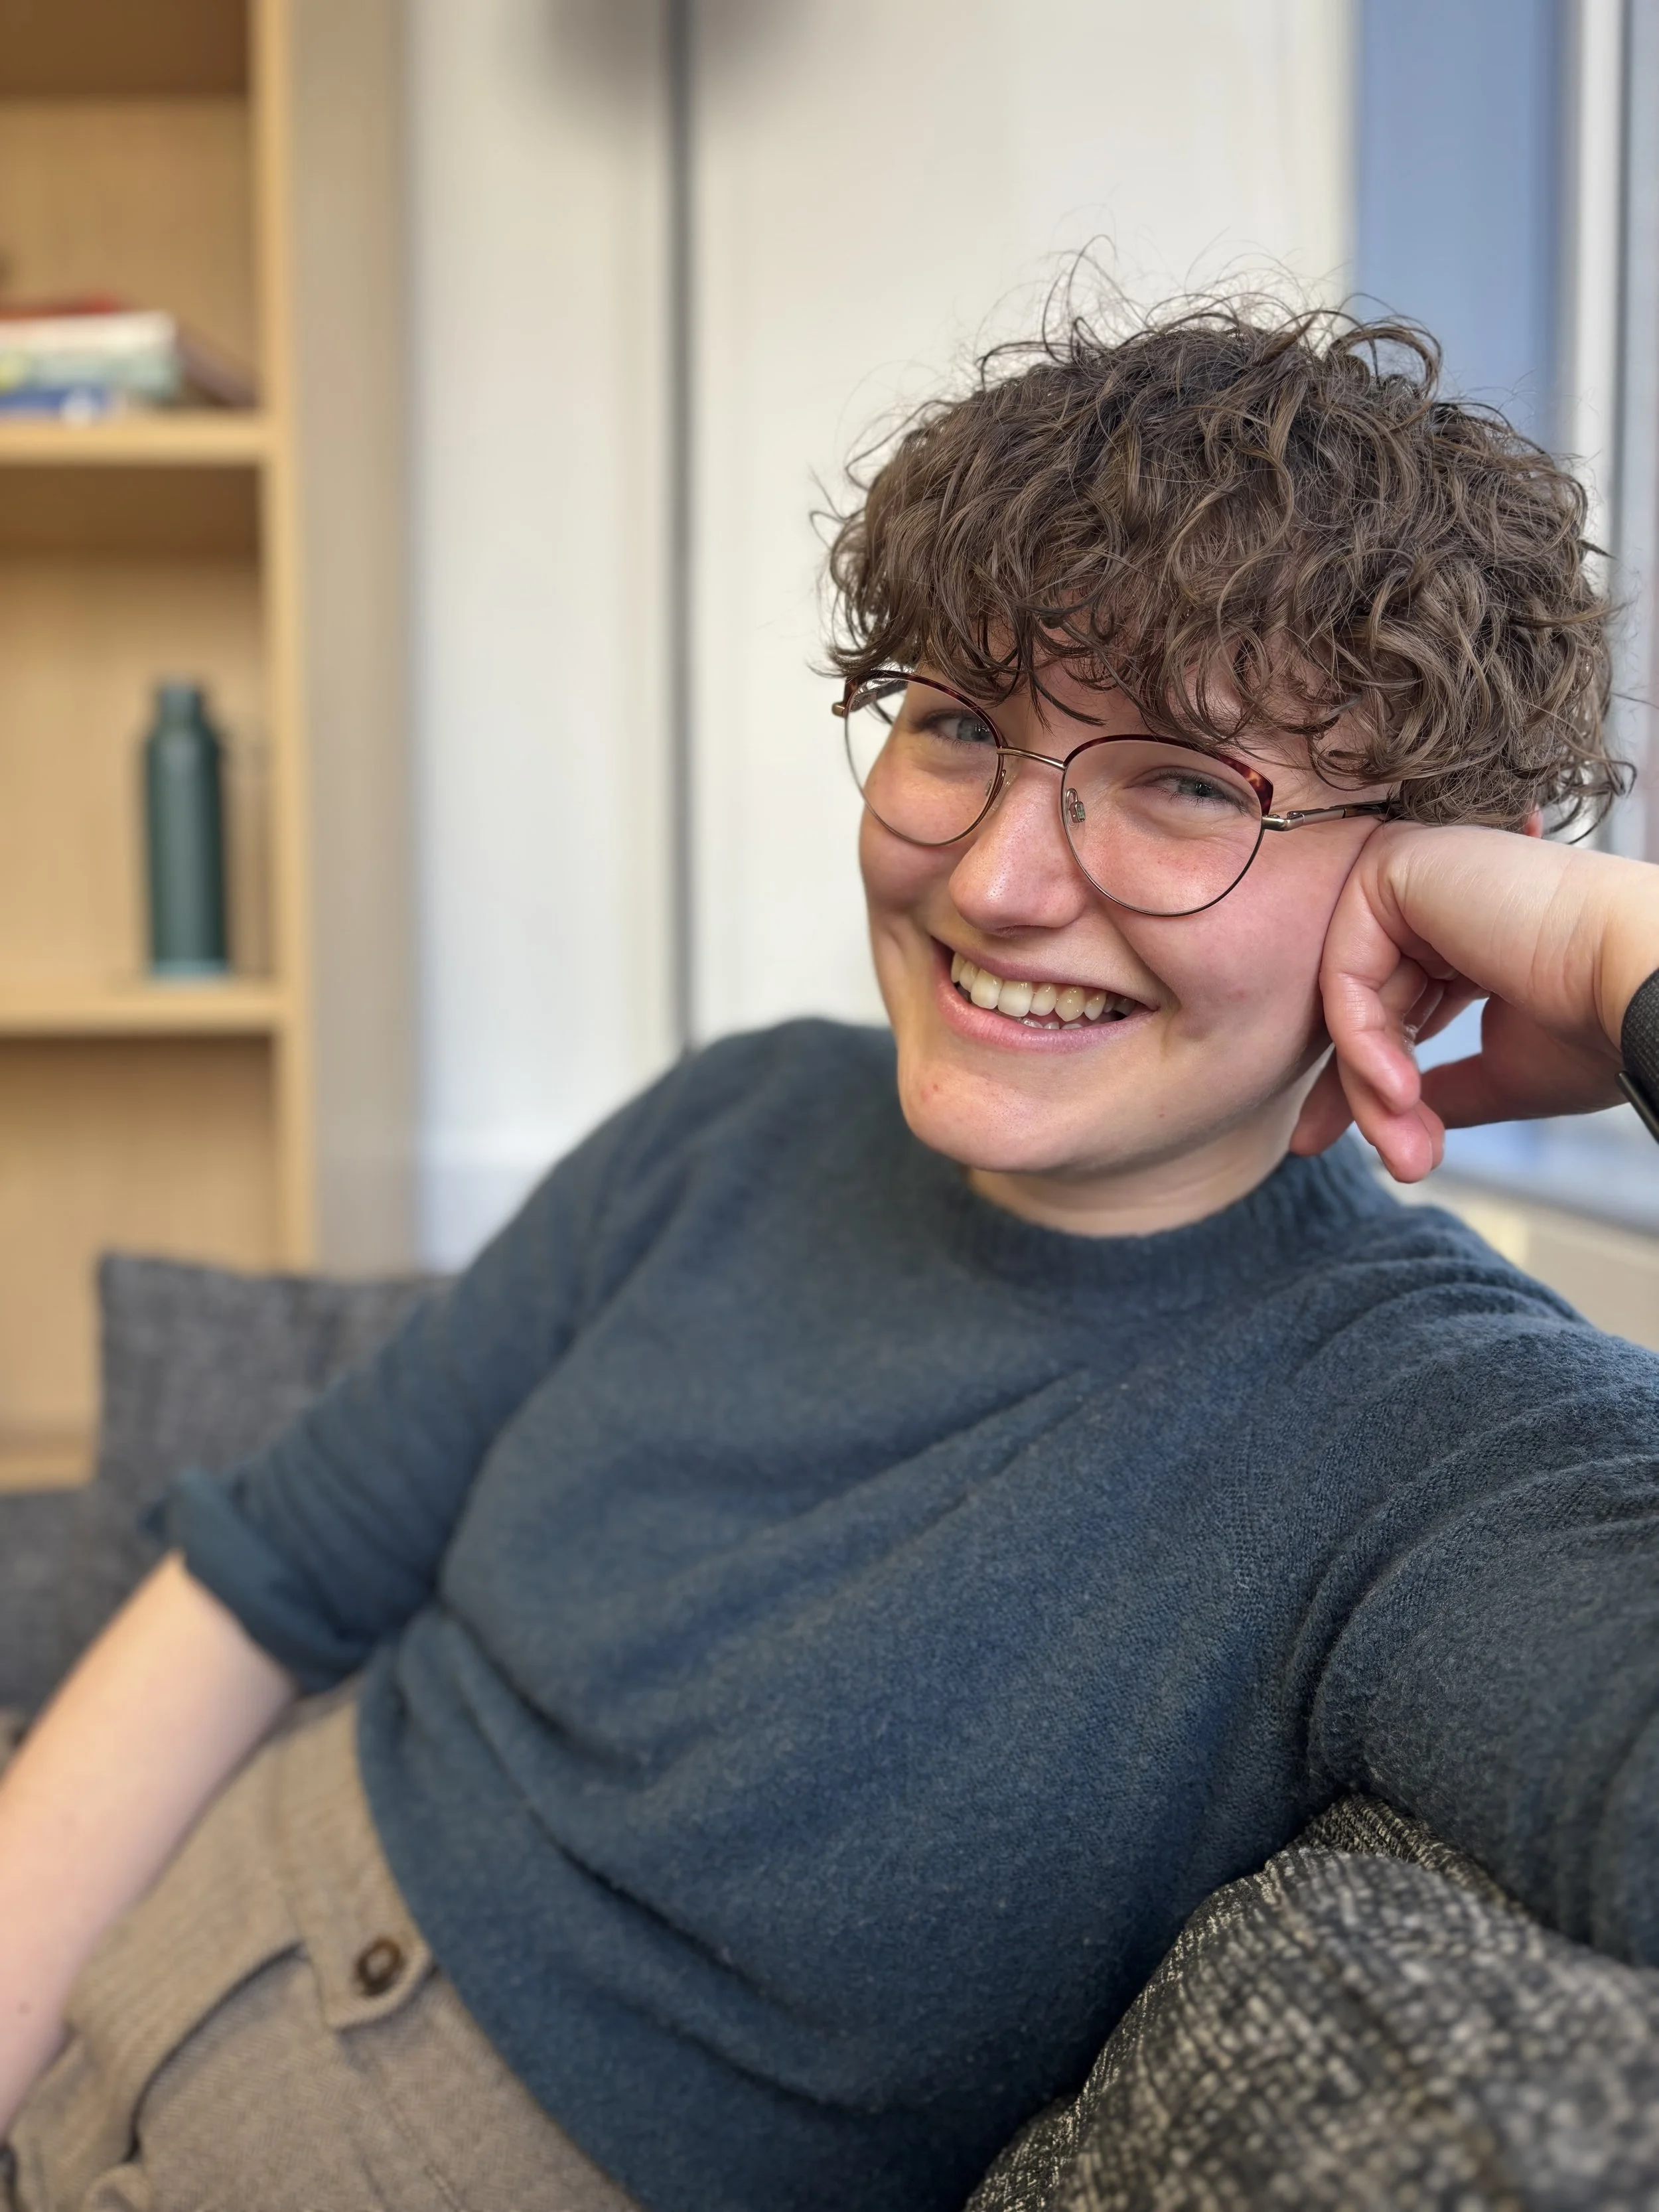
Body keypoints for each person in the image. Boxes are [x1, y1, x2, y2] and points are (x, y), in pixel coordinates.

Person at [3, 295, 1658, 2212]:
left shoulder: (1438, 1436)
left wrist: (1618, 958)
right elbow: (262, 1583)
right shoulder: (737, 1125)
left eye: (1188, 781)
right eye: (961, 723)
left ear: (1445, 869)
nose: (997, 879)